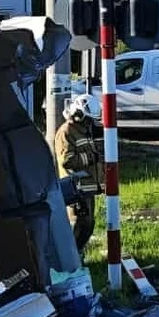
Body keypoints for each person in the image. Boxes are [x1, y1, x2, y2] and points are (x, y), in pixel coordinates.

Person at [53, 93, 103, 253]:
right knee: (80, 225)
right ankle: (71, 261)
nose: (90, 123)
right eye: (88, 119)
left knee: (88, 225)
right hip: (76, 189)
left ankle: (77, 257)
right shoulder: (66, 132)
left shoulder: (82, 132)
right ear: (78, 114)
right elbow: (67, 160)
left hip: (86, 188)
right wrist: (90, 157)